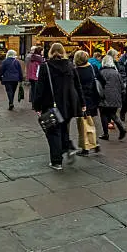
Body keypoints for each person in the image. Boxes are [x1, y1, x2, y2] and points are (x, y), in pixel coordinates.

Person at [34, 43, 86, 171]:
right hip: (69, 104)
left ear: (50, 52)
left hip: (51, 103)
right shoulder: (70, 65)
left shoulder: (45, 66)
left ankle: (57, 161)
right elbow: (78, 86)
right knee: (63, 128)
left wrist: (37, 106)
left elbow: (39, 88)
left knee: (53, 132)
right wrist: (83, 103)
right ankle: (68, 147)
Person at [74, 50, 105, 154]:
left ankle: (86, 148)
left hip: (81, 99)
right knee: (91, 121)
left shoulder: (76, 71)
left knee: (83, 124)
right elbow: (102, 80)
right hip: (93, 98)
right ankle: (95, 143)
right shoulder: (93, 67)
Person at [99, 55, 127, 141]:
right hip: (116, 97)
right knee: (113, 114)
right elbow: (122, 86)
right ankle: (121, 128)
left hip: (104, 97)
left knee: (103, 114)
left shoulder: (101, 72)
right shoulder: (116, 73)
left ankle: (106, 133)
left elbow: (99, 86)